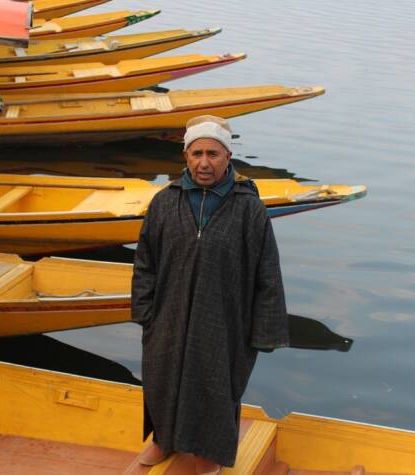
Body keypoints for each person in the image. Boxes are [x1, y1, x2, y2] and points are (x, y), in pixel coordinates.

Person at [131, 115, 289, 473]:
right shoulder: (164, 202)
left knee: (215, 383)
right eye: (197, 153)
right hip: (167, 313)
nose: (204, 163)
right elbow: (145, 262)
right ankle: (164, 440)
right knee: (162, 376)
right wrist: (146, 313)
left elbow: (267, 273)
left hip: (226, 318)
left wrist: (264, 332)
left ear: (228, 156)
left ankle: (207, 451)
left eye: (213, 154)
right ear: (186, 156)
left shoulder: (249, 208)